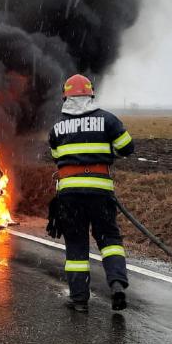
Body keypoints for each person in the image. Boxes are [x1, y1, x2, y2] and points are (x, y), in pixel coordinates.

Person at [47, 73, 134, 312]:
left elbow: (57, 157)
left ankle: (79, 300)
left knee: (76, 245)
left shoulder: (57, 127)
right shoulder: (108, 120)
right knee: (109, 240)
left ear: (65, 97)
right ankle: (117, 285)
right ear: (90, 95)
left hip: (70, 195)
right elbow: (127, 148)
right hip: (100, 192)